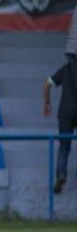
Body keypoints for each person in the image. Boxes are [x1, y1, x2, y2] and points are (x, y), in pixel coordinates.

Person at [44, 57, 77, 194]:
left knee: (64, 146)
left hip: (65, 113)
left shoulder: (66, 69)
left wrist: (47, 102)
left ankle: (61, 175)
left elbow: (47, 84)